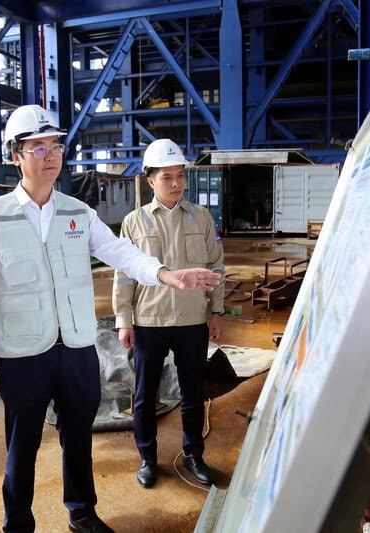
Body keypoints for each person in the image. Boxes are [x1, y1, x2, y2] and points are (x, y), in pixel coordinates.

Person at [0, 105, 220, 533]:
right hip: (24, 353)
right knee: (21, 446)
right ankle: (17, 523)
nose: (51, 154)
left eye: (56, 145)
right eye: (38, 146)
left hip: (78, 349)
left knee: (79, 440)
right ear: (16, 155)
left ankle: (81, 513)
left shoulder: (77, 213)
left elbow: (122, 253)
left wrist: (165, 275)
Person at [112, 138, 226, 489]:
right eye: (167, 177)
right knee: (146, 396)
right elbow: (124, 274)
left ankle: (193, 454)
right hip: (149, 323)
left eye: (180, 176)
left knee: (192, 393)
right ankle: (148, 458)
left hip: (192, 322)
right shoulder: (134, 222)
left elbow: (216, 265)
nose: (177, 184)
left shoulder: (202, 217)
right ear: (150, 180)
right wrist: (123, 320)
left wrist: (216, 311)